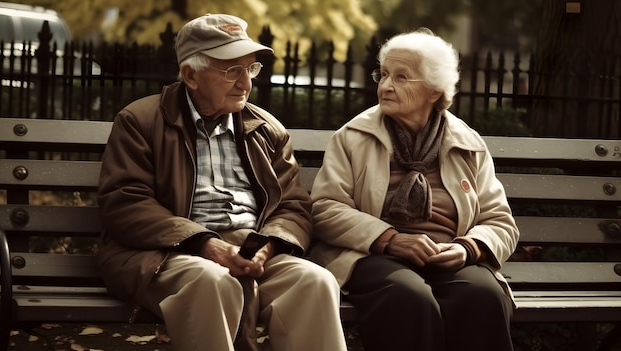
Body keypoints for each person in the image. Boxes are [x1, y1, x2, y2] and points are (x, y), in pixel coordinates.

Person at [97, 13, 347, 351]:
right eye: (232, 71)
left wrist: (267, 246)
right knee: (212, 280)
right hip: (164, 254)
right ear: (191, 75)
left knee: (316, 281)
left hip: (247, 250)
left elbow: (292, 205)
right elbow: (125, 202)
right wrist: (204, 244)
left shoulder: (267, 129)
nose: (246, 84)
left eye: (251, 69)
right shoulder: (140, 121)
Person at [309, 28, 519, 351]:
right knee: (409, 296)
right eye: (384, 74)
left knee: (483, 295)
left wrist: (467, 249)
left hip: (448, 255)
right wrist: (391, 239)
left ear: (434, 91)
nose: (386, 86)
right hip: (371, 255)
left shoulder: (467, 143)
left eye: (402, 77)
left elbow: (500, 222)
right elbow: (325, 207)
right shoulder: (352, 137)